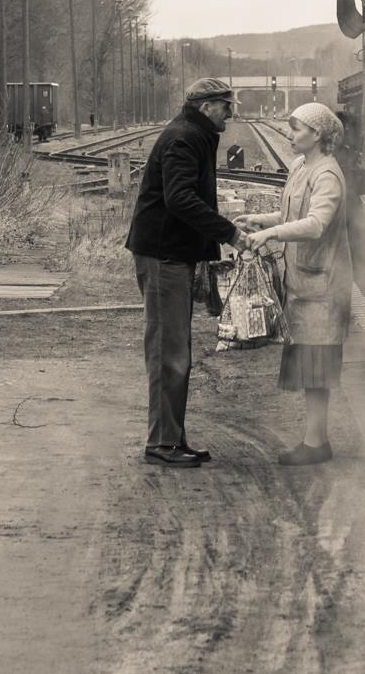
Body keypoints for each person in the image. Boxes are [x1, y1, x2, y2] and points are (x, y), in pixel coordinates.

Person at [125, 78, 247, 468]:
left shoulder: (194, 133)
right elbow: (180, 199)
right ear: (207, 105)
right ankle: (161, 443)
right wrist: (228, 233)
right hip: (163, 257)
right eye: (227, 105)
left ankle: (171, 439)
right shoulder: (184, 138)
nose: (232, 112)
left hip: (171, 254)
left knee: (176, 350)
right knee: (168, 351)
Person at [236, 102, 351, 465]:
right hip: (304, 283)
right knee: (310, 364)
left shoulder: (327, 174)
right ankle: (315, 440)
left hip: (322, 285)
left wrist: (272, 233)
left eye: (297, 128)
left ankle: (316, 444)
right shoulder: (303, 167)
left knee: (317, 366)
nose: (290, 133)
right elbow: (292, 215)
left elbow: (316, 224)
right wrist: (261, 219)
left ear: (316, 135)